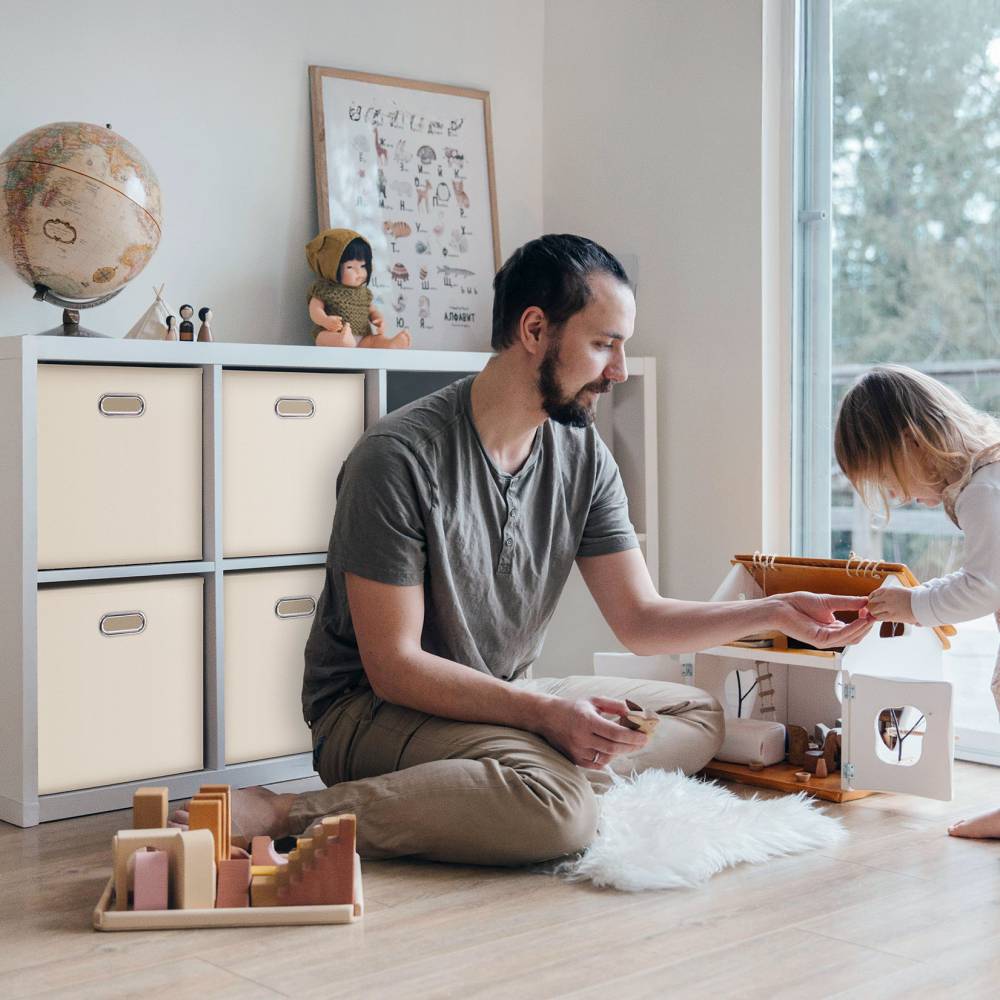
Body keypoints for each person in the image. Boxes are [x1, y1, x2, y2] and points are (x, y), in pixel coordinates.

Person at [173, 234, 871, 863]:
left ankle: (513, 773)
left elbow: (640, 620)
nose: (620, 370)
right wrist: (545, 717)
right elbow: (394, 668)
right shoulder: (398, 457)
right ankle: (291, 811)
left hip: (502, 698)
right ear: (535, 329)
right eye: (604, 344)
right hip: (373, 713)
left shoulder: (584, 456)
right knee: (561, 817)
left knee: (697, 715)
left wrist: (775, 612)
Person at [835, 363, 1000, 839]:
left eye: (890, 479)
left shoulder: (984, 490)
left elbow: (984, 586)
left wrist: (914, 606)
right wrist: (919, 596)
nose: (896, 495)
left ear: (913, 442)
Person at [305, 227, 411, 349]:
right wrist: (325, 321)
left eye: (363, 266)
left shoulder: (364, 293)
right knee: (323, 337)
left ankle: (390, 344)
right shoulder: (323, 289)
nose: (359, 272)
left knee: (375, 341)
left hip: (363, 338)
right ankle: (342, 340)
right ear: (330, 267)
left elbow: (372, 310)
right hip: (334, 333)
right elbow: (315, 310)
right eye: (350, 267)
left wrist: (378, 319)